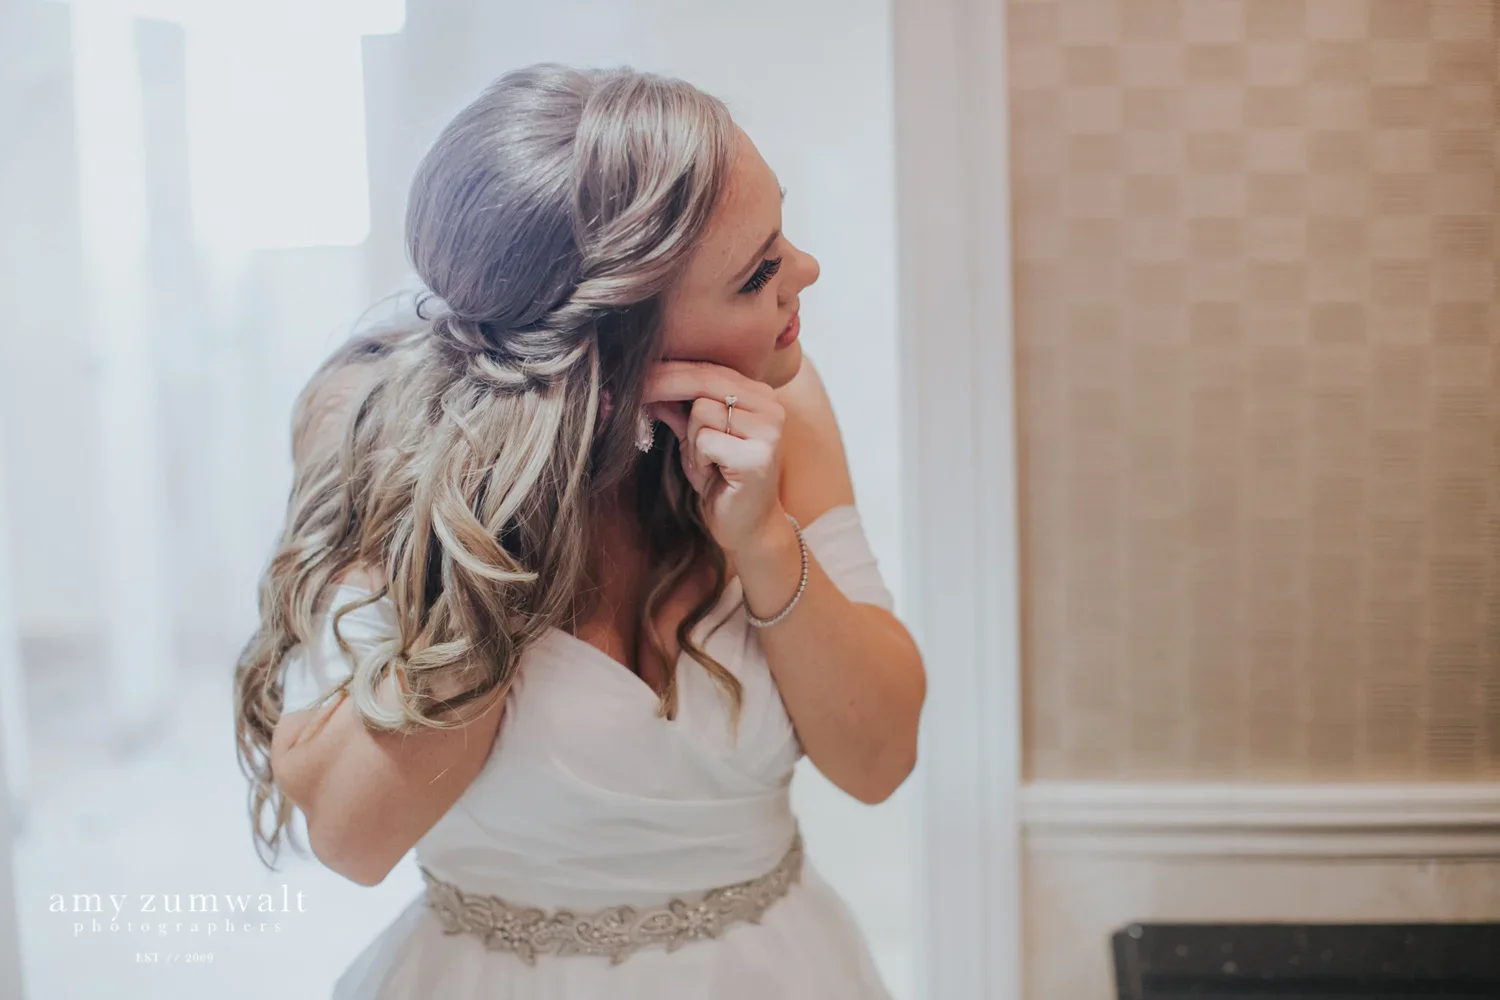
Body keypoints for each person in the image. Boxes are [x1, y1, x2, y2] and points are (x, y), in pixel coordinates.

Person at [232, 62, 926, 999]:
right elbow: (357, 840)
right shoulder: (391, 443)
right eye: (759, 271)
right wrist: (507, 526)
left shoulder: (779, 412)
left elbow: (881, 760)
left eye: (782, 236)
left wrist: (764, 541)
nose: (805, 271)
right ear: (612, 335)